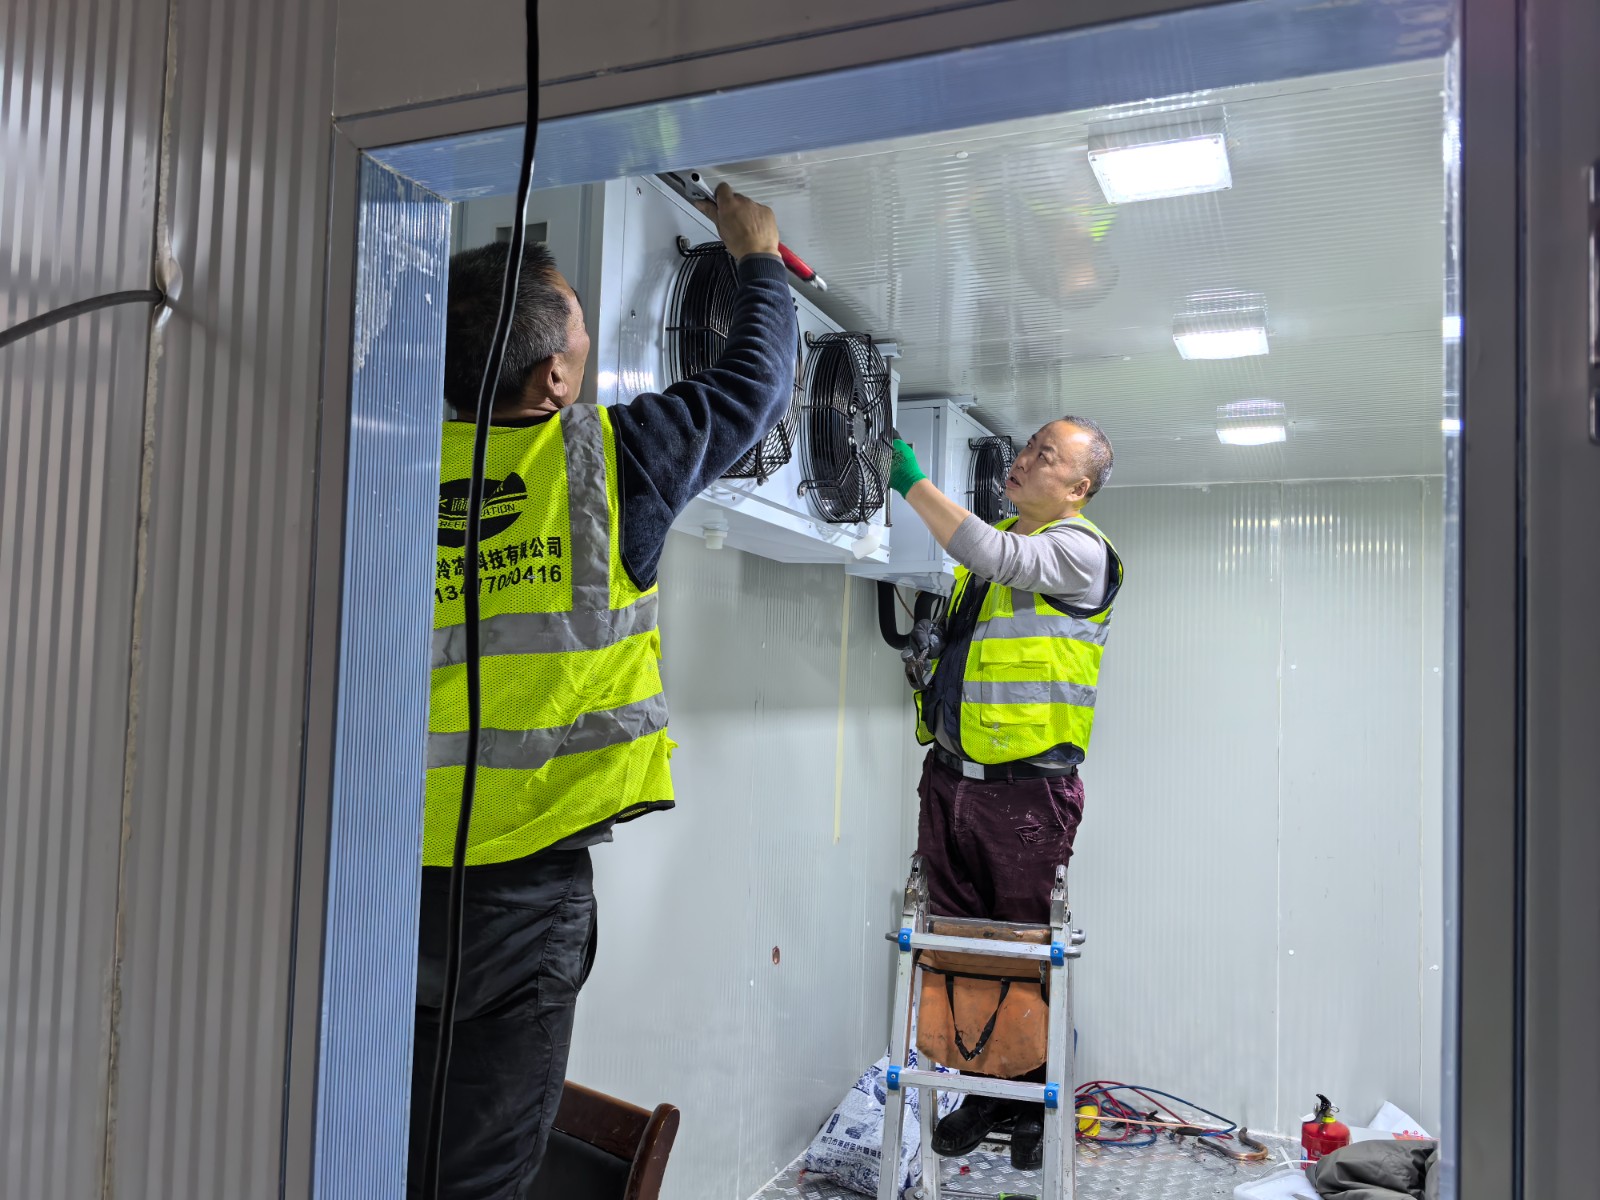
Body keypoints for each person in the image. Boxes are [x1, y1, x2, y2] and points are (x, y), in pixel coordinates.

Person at [409, 185, 796, 1199]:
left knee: (378, 1137)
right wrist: (757, 257)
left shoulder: (385, 471)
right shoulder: (612, 460)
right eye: (580, 327)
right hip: (523, 898)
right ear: (553, 377)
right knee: (484, 1170)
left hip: (387, 879)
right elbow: (754, 385)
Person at [886, 417, 1124, 1170]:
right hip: (952, 781)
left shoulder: (1080, 550)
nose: (1022, 460)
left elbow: (997, 554)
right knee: (961, 948)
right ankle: (987, 1089)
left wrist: (911, 484)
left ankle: (1031, 1100)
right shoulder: (991, 557)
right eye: (1027, 448)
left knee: (1024, 949)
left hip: (1026, 794)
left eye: (1045, 456)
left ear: (1078, 488)